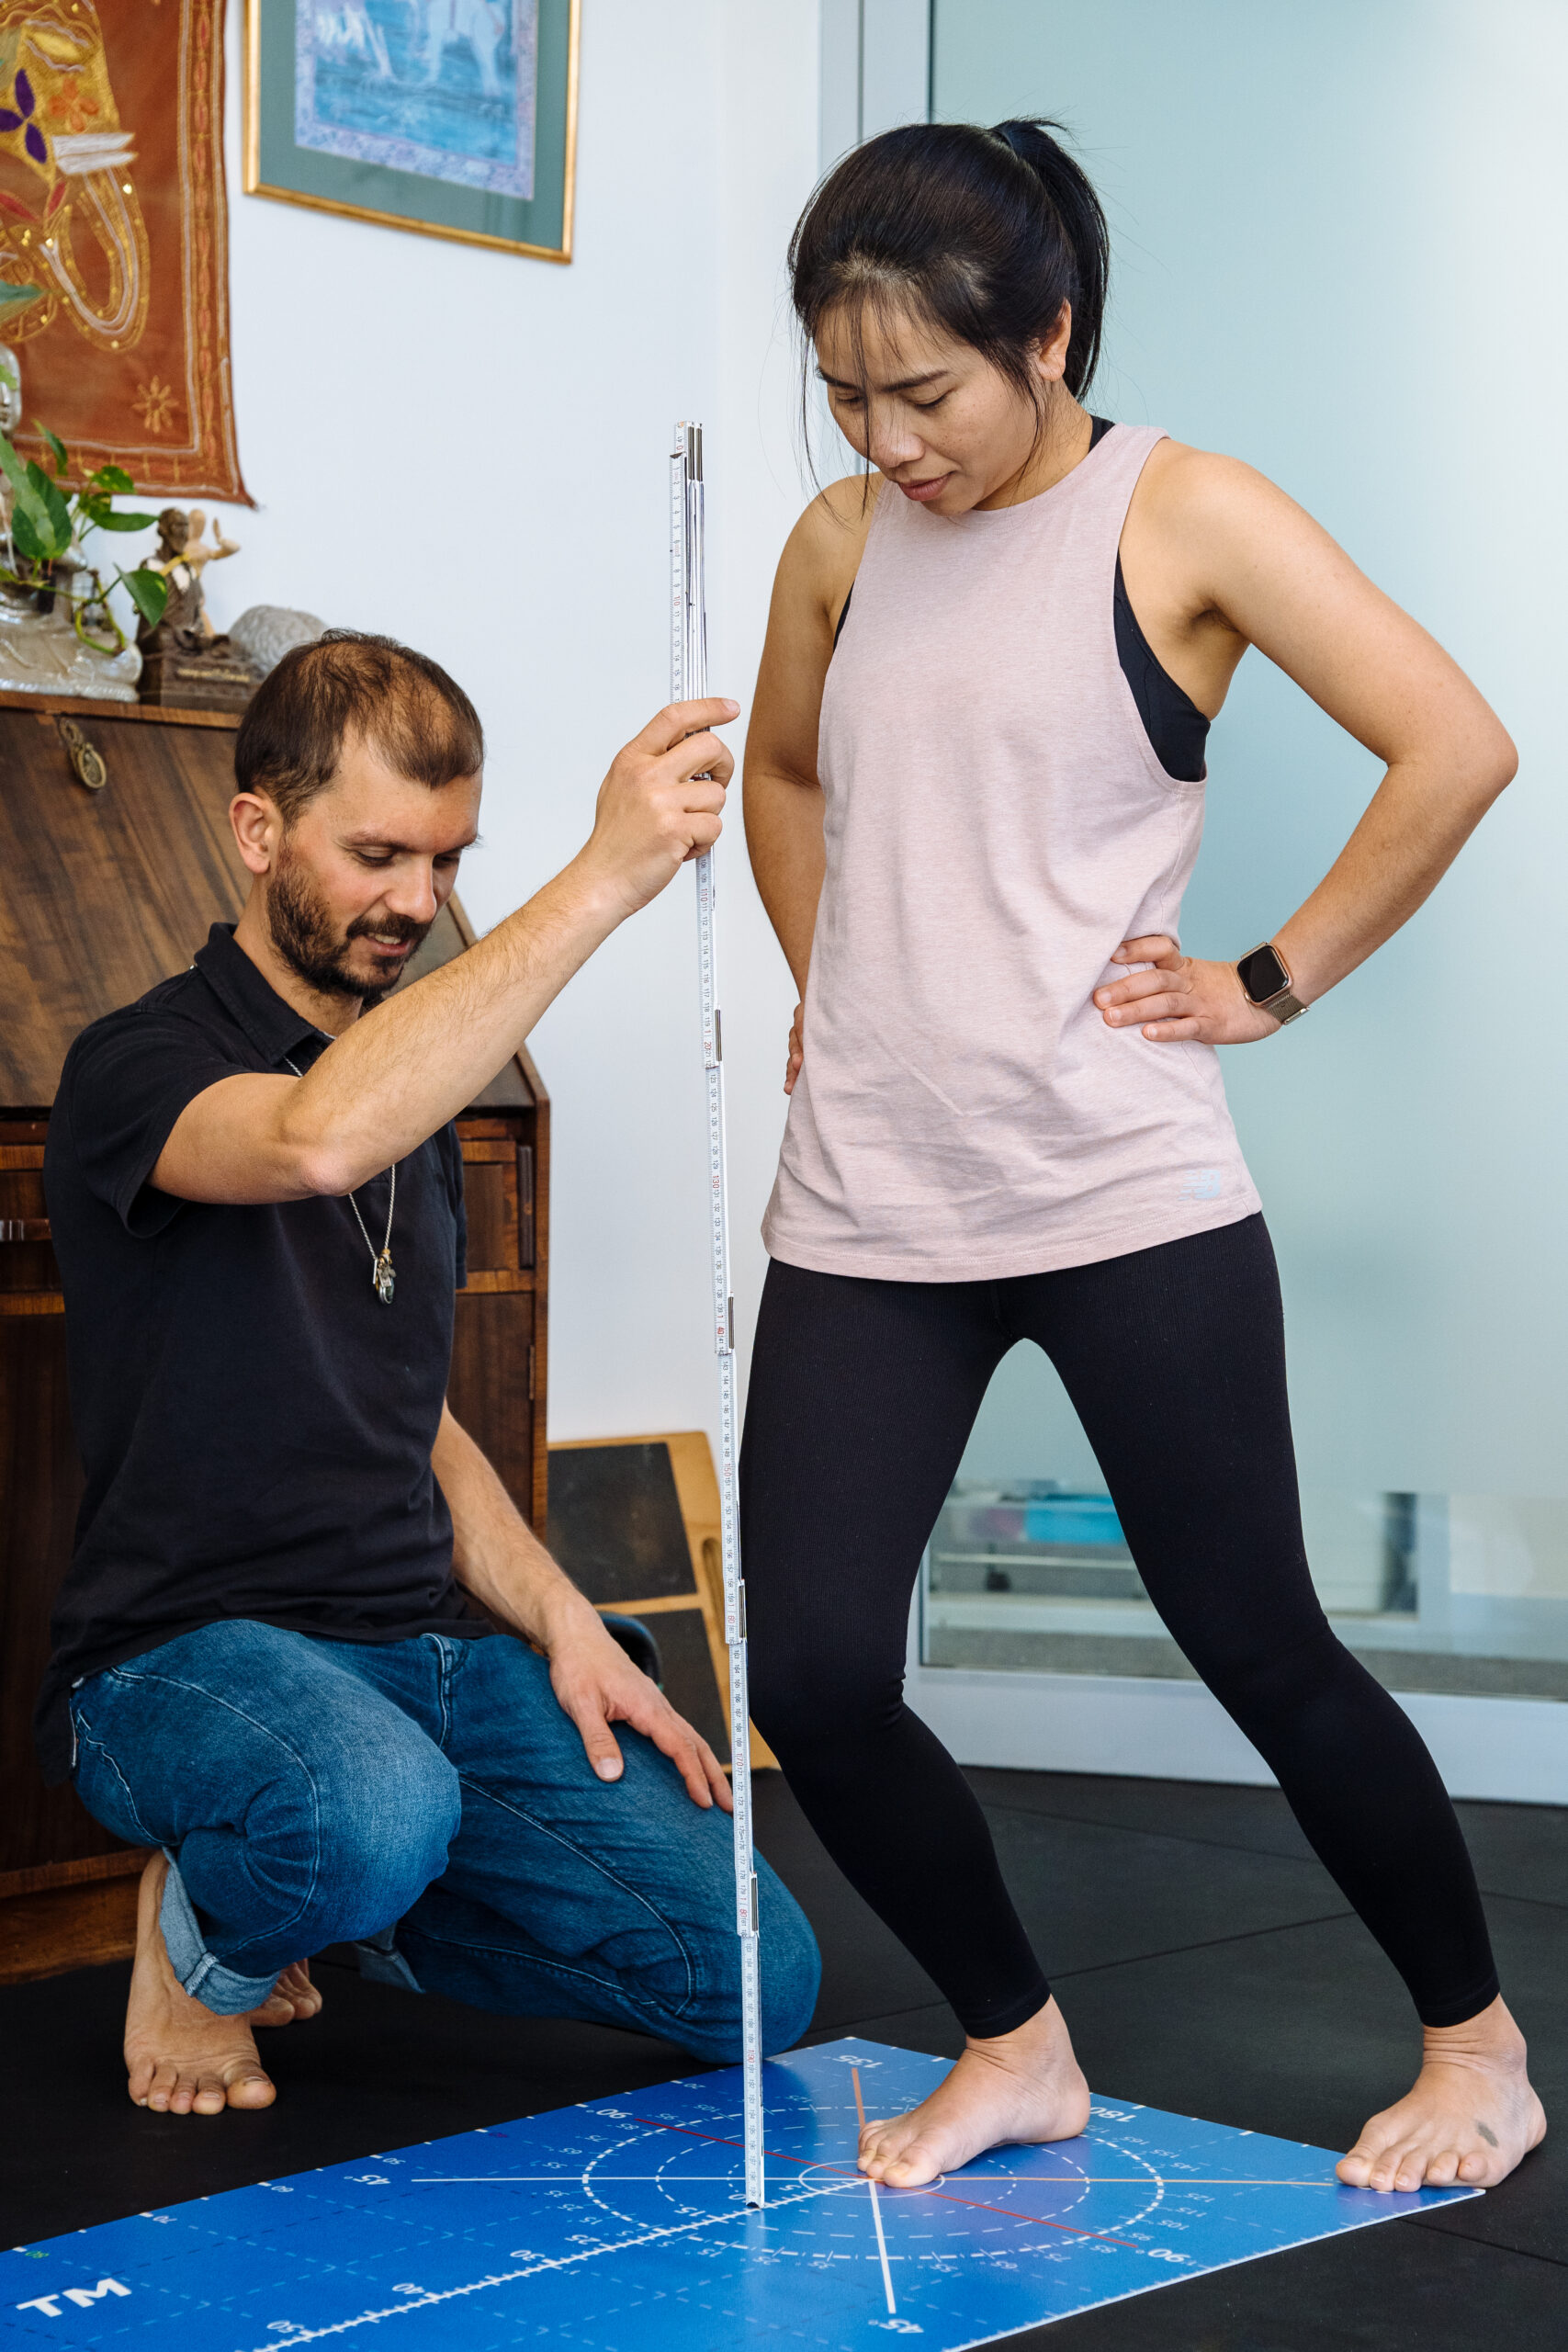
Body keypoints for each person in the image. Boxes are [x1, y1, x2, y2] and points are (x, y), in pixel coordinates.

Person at [740, 120, 1542, 2198]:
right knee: (818, 1669)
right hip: (871, 1196)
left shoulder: (1176, 513)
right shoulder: (838, 541)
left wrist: (1265, 979)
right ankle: (1014, 2042)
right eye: (845, 391)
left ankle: (1473, 2039)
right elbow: (785, 760)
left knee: (1256, 1636)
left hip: (1117, 1188)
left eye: (923, 390)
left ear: (1048, 335)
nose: (885, 437)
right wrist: (826, 968)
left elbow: (1451, 739)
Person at [41, 630, 819, 2117]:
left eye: (449, 859)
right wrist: (604, 875)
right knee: (368, 1805)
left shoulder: (427, 1079)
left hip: (421, 1666)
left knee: (756, 1979)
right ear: (257, 830)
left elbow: (415, 1420)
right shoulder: (134, 1066)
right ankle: (203, 1943)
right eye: (379, 854)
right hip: (177, 1660)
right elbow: (313, 1136)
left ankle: (328, 1894)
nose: (418, 902)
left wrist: (566, 1620)